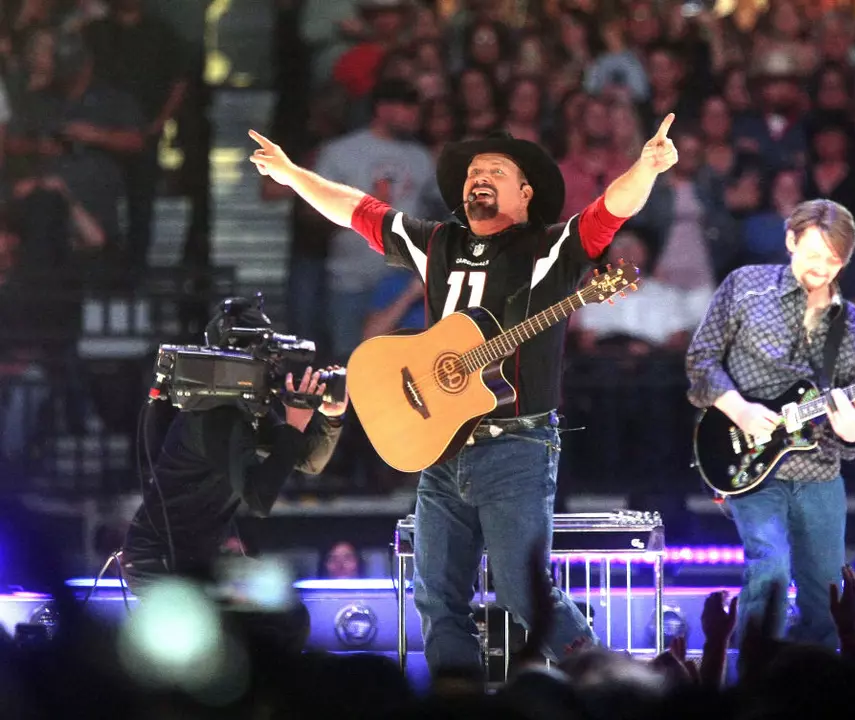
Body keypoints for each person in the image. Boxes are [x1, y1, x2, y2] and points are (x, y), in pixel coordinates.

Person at [248, 114, 679, 673]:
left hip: (516, 448)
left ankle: (606, 686)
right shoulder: (437, 242)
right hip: (440, 445)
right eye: (474, 170)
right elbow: (354, 208)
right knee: (436, 600)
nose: (479, 176)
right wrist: (290, 175)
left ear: (525, 193)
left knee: (527, 596)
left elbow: (611, 209)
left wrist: (644, 167)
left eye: (495, 170)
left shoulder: (547, 250)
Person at [685, 199, 855, 651]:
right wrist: (740, 410)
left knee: (824, 591)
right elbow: (702, 359)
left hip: (820, 474)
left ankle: (814, 688)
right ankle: (756, 671)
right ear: (791, 241)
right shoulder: (745, 287)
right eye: (813, 255)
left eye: (834, 261)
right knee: (769, 564)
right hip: (748, 459)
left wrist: (853, 431)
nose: (822, 269)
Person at [120, 296, 348, 652]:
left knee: (288, 618)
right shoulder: (216, 415)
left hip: (199, 557)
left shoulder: (241, 409)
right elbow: (258, 498)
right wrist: (294, 425)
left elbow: (308, 461)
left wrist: (330, 418)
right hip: (159, 560)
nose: (272, 365)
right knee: (232, 640)